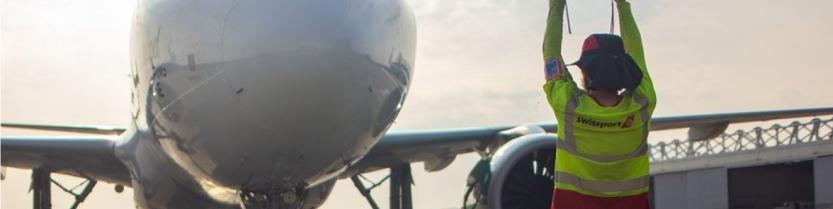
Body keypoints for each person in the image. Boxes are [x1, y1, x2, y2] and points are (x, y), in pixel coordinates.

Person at [542, 0, 656, 208]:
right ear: (624, 68)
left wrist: (556, 5)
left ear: (585, 72)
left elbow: (550, 55)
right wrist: (623, 5)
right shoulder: (642, 104)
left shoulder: (568, 106)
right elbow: (637, 56)